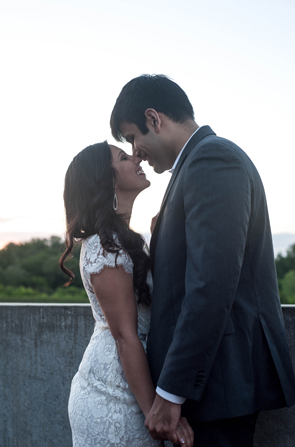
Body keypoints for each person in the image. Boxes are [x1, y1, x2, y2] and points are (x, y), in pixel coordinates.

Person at [110, 74, 295, 447]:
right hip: (213, 383)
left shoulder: (213, 159)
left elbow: (210, 285)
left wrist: (171, 392)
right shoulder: (196, 165)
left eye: (133, 137)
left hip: (220, 383)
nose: (135, 151)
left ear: (154, 118)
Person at [60, 141, 193, 447]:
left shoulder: (125, 240)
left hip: (133, 383)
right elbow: (124, 336)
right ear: (108, 180)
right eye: (123, 156)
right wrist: (156, 416)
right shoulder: (103, 248)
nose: (136, 157)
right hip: (113, 396)